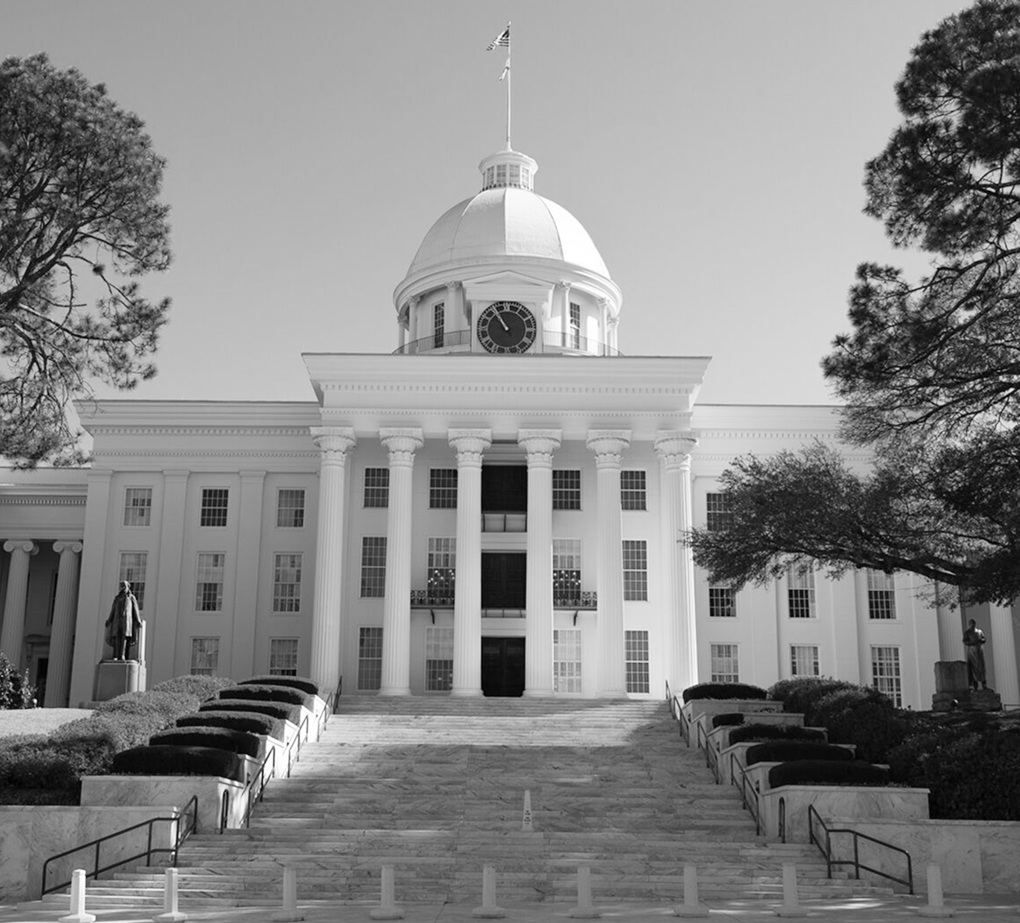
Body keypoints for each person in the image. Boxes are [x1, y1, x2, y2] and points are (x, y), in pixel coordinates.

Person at [105, 581, 142, 661]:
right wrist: (109, 619)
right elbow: (113, 610)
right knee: (117, 637)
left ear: (128, 587)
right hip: (117, 620)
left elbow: (135, 609)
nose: (123, 588)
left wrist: (138, 620)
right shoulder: (117, 598)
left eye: (124, 586)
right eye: (121, 586)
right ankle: (116, 655)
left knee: (124, 638)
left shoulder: (131, 597)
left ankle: (122, 655)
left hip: (127, 620)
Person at [963, 618, 987, 691]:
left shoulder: (979, 632)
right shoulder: (967, 633)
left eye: (973, 623)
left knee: (981, 667)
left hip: (979, 650)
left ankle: (984, 684)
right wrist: (971, 643)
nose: (972, 625)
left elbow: (984, 639)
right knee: (972, 668)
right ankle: (974, 684)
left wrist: (981, 640)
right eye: (971, 624)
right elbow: (965, 641)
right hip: (972, 651)